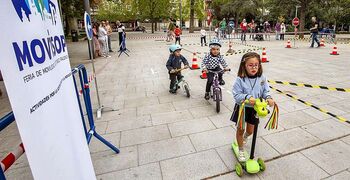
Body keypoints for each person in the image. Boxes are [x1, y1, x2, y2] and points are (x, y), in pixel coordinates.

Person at [231, 52, 275, 162]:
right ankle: (241, 150)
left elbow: (266, 91)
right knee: (240, 129)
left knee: (250, 131)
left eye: (256, 64)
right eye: (250, 65)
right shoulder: (240, 79)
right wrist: (247, 97)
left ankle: (245, 137)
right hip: (242, 108)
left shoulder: (262, 78)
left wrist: (268, 98)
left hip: (255, 109)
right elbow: (236, 95)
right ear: (244, 66)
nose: (254, 67)